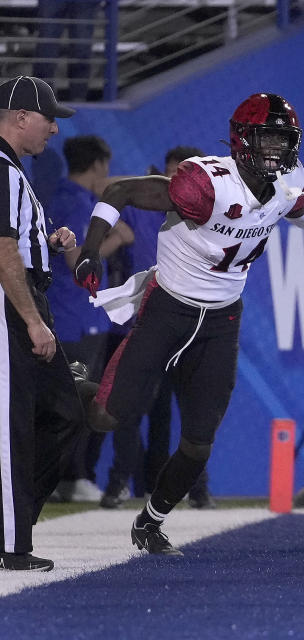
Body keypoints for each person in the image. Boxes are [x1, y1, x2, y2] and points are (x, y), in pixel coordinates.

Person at [72, 92, 304, 556]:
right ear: (242, 140)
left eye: (283, 139)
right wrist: (90, 250)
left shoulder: (288, 178)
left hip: (222, 319)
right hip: (168, 308)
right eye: (267, 138)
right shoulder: (208, 183)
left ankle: (150, 523)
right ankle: (68, 386)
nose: (276, 149)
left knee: (199, 441)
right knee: (106, 416)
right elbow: (120, 191)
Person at [98, 145, 216, 510]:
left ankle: (189, 490)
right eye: (171, 175)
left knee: (185, 413)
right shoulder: (145, 204)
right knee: (128, 409)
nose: (177, 184)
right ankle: (119, 484)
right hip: (145, 324)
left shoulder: (212, 212)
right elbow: (105, 186)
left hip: (190, 326)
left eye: (186, 174)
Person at [0, 75, 83, 571]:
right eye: (48, 119)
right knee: (14, 427)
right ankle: (12, 543)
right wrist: (31, 320)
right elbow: (2, 249)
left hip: (24, 295)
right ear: (21, 118)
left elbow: (15, 246)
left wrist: (43, 246)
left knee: (64, 414)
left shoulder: (11, 169)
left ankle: (15, 520)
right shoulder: (2, 169)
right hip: (12, 303)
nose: (54, 129)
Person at [45, 135, 133, 504]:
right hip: (75, 318)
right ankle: (73, 476)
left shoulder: (57, 197)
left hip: (67, 315)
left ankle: (66, 477)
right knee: (77, 402)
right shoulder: (79, 202)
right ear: (98, 165)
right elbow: (76, 261)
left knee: (64, 402)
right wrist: (116, 240)